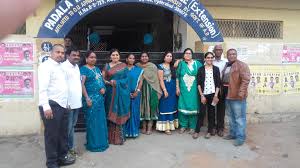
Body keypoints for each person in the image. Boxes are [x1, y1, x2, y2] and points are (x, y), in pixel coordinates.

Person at [38, 44, 75, 168]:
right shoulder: (45, 67)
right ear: (51, 53)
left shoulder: (61, 67)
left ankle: (62, 157)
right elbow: (42, 89)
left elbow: (63, 87)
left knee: (62, 134)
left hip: (62, 105)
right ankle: (52, 162)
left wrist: (67, 103)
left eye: (62, 52)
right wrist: (46, 107)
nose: (60, 54)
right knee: (52, 136)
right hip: (51, 106)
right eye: (57, 52)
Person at [80, 51, 109, 152]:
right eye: (91, 57)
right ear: (86, 58)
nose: (93, 59)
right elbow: (82, 84)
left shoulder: (97, 69)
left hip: (99, 100)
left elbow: (101, 81)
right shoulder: (83, 69)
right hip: (90, 100)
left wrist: (103, 88)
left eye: (95, 57)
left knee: (100, 121)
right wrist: (87, 98)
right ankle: (93, 144)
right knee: (92, 122)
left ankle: (101, 142)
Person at [223, 48, 250, 146]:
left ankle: (240, 137)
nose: (232, 55)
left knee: (239, 118)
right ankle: (233, 134)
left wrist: (241, 93)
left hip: (237, 96)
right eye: (230, 54)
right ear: (227, 55)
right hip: (228, 96)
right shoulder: (227, 65)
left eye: (234, 54)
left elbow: (246, 80)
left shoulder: (242, 65)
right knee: (231, 117)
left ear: (236, 55)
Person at [103, 49, 130, 145]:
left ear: (119, 56)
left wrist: (117, 82)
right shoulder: (106, 66)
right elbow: (103, 79)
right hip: (110, 93)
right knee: (110, 112)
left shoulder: (123, 66)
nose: (115, 57)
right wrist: (109, 82)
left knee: (119, 111)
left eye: (117, 55)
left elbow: (127, 80)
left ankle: (119, 138)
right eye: (113, 55)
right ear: (110, 56)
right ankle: (110, 138)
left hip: (121, 93)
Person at [193, 52, 221, 139]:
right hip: (203, 94)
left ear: (213, 58)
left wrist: (216, 95)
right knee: (201, 113)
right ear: (205, 59)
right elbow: (198, 84)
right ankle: (197, 131)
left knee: (211, 113)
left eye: (211, 57)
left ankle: (209, 131)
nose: (210, 59)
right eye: (208, 58)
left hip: (213, 94)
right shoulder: (201, 69)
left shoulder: (216, 69)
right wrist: (201, 95)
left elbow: (218, 83)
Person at [175, 48, 203, 134]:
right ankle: (183, 126)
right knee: (182, 106)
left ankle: (192, 127)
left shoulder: (197, 64)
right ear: (183, 55)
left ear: (192, 55)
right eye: (186, 53)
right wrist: (177, 88)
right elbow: (177, 76)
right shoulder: (181, 64)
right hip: (183, 89)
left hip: (194, 90)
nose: (188, 55)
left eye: (189, 53)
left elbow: (202, 75)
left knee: (193, 107)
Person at [61, 47, 82, 156]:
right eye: (74, 55)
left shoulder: (76, 66)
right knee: (66, 129)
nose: (76, 57)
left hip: (76, 103)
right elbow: (62, 87)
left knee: (72, 127)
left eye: (78, 55)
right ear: (67, 55)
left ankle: (70, 148)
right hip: (67, 104)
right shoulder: (63, 67)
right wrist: (66, 102)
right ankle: (64, 151)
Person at [136, 52, 162, 135]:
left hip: (151, 89)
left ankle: (150, 127)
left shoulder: (153, 66)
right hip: (141, 89)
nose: (144, 58)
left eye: (146, 56)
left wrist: (158, 91)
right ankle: (144, 127)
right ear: (140, 58)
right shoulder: (137, 66)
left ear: (148, 57)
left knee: (151, 107)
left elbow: (156, 79)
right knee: (142, 107)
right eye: (142, 56)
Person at [156, 51, 178, 135]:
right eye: (167, 56)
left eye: (170, 56)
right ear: (164, 57)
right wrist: (164, 90)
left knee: (172, 106)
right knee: (165, 107)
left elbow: (176, 78)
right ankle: (165, 127)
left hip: (172, 88)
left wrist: (176, 88)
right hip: (165, 88)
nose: (169, 57)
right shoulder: (160, 66)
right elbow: (161, 79)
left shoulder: (173, 66)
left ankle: (171, 126)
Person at [125, 53, 144, 138]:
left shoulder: (138, 70)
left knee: (134, 112)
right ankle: (125, 131)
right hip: (125, 94)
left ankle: (134, 131)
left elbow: (141, 81)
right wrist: (126, 92)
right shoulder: (123, 69)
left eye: (133, 58)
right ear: (126, 59)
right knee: (126, 112)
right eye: (130, 58)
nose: (132, 60)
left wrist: (137, 91)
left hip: (136, 94)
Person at [212, 44, 227, 137]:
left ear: (222, 51)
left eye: (220, 50)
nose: (218, 51)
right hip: (211, 87)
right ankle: (212, 127)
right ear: (214, 51)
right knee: (212, 107)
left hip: (222, 87)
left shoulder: (226, 62)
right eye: (216, 49)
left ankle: (220, 128)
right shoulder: (209, 60)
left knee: (221, 108)